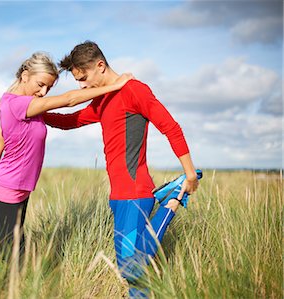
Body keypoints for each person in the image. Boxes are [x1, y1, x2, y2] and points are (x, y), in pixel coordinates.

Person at [42, 41, 200, 298]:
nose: (81, 86)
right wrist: (35, 111)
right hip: (118, 196)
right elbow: (70, 121)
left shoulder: (135, 91)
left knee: (130, 268)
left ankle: (172, 199)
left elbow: (171, 127)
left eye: (83, 78)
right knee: (136, 278)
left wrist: (190, 173)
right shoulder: (102, 100)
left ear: (100, 66)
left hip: (135, 192)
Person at [0, 52, 133, 256]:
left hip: (20, 191)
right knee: (11, 256)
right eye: (40, 84)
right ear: (25, 76)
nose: (43, 92)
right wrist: (115, 86)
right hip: (6, 189)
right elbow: (69, 100)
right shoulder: (17, 104)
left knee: (9, 248)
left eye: (49, 88)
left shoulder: (23, 105)